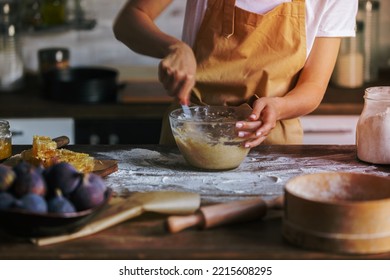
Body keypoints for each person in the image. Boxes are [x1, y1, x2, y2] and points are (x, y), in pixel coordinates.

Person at [113, 0, 358, 147]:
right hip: (190, 139)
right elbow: (129, 20)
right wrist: (175, 48)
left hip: (273, 144)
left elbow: (313, 86)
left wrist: (279, 107)